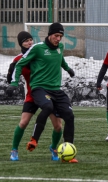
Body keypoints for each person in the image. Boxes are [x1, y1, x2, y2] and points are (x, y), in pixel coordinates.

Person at [7, 23, 78, 163]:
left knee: (58, 125)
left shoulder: (54, 48)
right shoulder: (26, 55)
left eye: (30, 40)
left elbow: (59, 58)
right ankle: (14, 149)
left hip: (50, 92)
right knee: (24, 122)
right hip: (34, 92)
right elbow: (16, 68)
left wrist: (68, 69)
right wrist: (12, 83)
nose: (29, 42)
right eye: (25, 41)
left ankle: (54, 148)